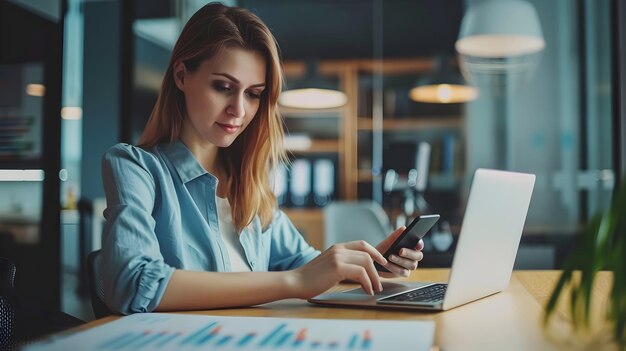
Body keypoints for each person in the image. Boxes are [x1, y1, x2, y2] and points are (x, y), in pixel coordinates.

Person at [100, 3, 425, 315]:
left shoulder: (250, 185)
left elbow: (308, 265)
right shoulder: (135, 167)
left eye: (254, 94)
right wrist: (294, 282)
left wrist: (372, 261)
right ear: (182, 76)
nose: (239, 110)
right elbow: (134, 284)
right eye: (223, 87)